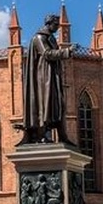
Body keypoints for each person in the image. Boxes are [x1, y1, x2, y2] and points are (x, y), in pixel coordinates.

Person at [20, 13, 73, 145]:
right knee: (46, 105)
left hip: (52, 76)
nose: (57, 28)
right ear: (49, 24)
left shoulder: (50, 38)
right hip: (44, 78)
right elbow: (47, 54)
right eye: (56, 25)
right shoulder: (39, 37)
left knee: (59, 105)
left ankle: (62, 136)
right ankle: (42, 135)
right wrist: (67, 51)